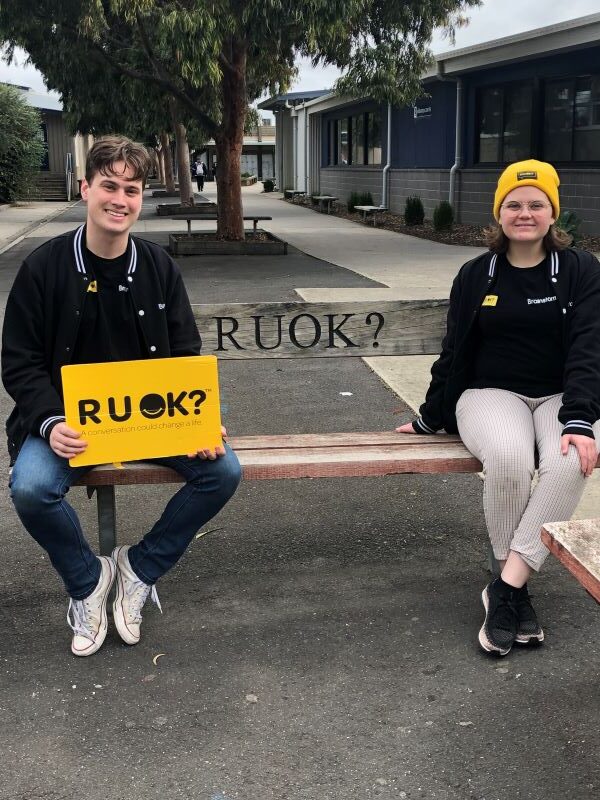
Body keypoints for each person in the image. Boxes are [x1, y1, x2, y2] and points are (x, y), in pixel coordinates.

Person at [2, 135, 242, 657]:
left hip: (150, 420)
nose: (120, 199)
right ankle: (88, 583)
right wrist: (47, 423)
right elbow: (18, 361)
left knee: (223, 472)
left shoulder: (157, 267)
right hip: (71, 424)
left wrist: (200, 423)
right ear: (85, 188)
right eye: (108, 185)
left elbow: (184, 352)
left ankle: (138, 568)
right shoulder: (44, 268)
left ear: (140, 196)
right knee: (32, 488)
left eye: (131, 189)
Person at [396, 159, 600, 657]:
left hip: (559, 397)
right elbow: (454, 352)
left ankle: (506, 588)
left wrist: (580, 419)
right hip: (490, 394)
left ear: (554, 214)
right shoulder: (475, 274)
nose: (524, 213)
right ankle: (518, 590)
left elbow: (589, 348)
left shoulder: (579, 270)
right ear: (499, 213)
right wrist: (429, 417)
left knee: (570, 457)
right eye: (514, 204)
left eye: (536, 204)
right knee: (509, 458)